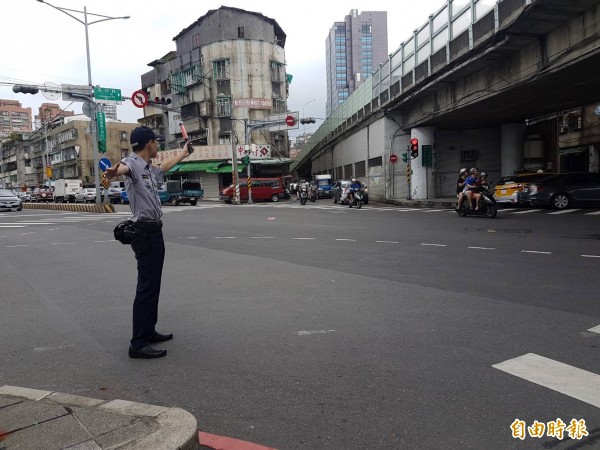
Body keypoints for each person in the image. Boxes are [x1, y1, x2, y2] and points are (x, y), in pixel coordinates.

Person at [105, 126, 193, 359]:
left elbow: (162, 168)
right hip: (145, 232)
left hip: (154, 231)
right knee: (146, 287)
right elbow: (122, 168)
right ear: (149, 144)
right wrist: (114, 173)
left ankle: (148, 331)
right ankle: (138, 343)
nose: (158, 147)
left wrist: (183, 154)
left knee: (152, 285)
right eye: (156, 142)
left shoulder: (146, 168)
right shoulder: (132, 164)